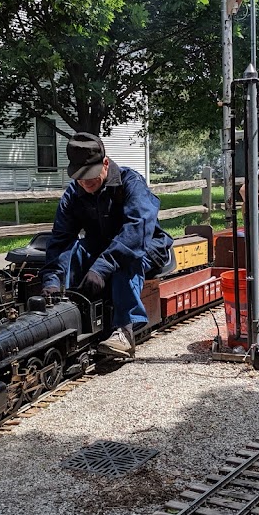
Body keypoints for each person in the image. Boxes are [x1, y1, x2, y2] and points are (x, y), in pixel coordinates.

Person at [41, 133, 173, 360]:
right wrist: (52, 280)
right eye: (80, 178)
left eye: (90, 176)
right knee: (77, 250)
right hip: (101, 247)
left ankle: (124, 330)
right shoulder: (73, 195)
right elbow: (61, 240)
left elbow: (137, 230)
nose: (85, 183)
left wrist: (102, 267)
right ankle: (68, 310)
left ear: (105, 163)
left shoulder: (131, 182)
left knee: (126, 261)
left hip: (147, 245)